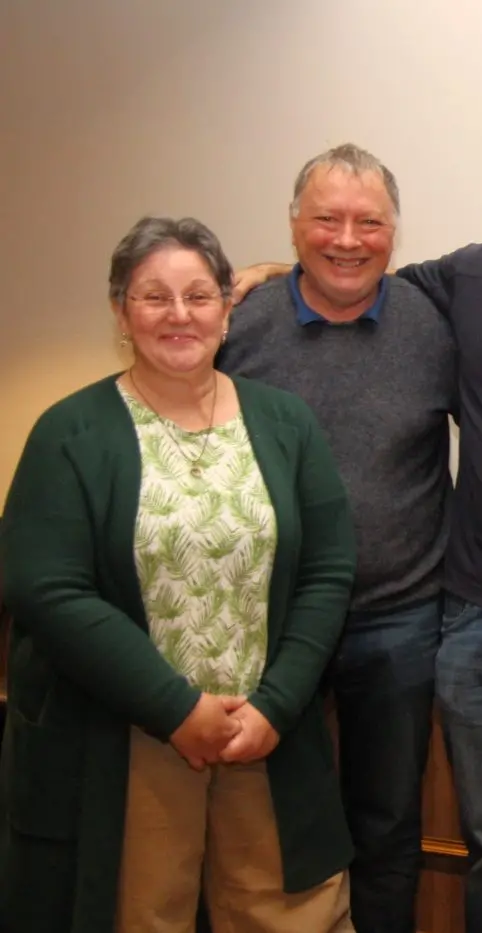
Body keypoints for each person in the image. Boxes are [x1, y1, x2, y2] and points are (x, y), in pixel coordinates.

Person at [232, 128, 482, 933]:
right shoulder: (444, 290)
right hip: (350, 619)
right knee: (462, 840)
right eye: (326, 221)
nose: (349, 240)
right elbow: (340, 271)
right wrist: (272, 274)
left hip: (480, 621)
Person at [0, 216, 358, 933]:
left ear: (227, 307)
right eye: (153, 296)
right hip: (128, 739)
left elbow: (327, 569)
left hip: (266, 736)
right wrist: (175, 709)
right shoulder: (70, 432)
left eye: (197, 295)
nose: (178, 314)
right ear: (120, 310)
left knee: (293, 915)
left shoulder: (285, 422)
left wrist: (276, 706)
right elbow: (46, 589)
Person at [219, 143, 456, 933]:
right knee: (264, 816)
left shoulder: (433, 322)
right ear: (293, 226)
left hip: (400, 618)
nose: (348, 240)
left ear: (395, 230)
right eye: (327, 219)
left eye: (369, 222)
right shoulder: (240, 323)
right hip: (272, 619)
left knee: (387, 821)